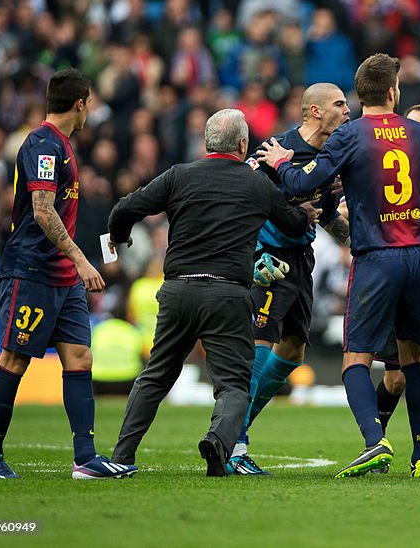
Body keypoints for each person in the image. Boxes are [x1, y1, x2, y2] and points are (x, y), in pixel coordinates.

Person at [258, 54, 420, 478]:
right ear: (393, 92)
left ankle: (375, 442)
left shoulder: (351, 134)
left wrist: (281, 160)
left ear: (359, 97)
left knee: (355, 360)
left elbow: (302, 184)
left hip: (377, 255)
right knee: (413, 358)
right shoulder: (418, 133)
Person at [108, 109, 310, 477]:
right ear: (244, 144)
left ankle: (122, 456)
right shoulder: (256, 185)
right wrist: (305, 206)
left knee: (155, 376)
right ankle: (218, 442)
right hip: (227, 294)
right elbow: (294, 224)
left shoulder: (179, 176)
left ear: (206, 143)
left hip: (177, 291)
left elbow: (125, 209)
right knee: (233, 384)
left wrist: (119, 239)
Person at [0, 69, 135, 480]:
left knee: (80, 357)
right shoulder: (44, 145)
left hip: (63, 276)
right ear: (80, 103)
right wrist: (83, 259)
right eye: (92, 102)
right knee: (16, 359)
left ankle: (85, 458)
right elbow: (43, 210)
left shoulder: (63, 145)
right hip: (31, 270)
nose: (93, 111)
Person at [229, 83, 352, 476]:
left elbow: (327, 215)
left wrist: (361, 241)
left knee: (294, 350)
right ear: (314, 111)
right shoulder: (274, 150)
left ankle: (239, 425)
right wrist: (249, 253)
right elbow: (240, 196)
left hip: (301, 258)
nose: (347, 111)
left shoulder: (331, 158)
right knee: (261, 344)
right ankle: (234, 443)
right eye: (339, 104)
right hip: (268, 258)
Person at [373, 104, 420, 476]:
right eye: (412, 128)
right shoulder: (387, 175)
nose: (419, 135)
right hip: (399, 282)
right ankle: (376, 441)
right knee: (396, 375)